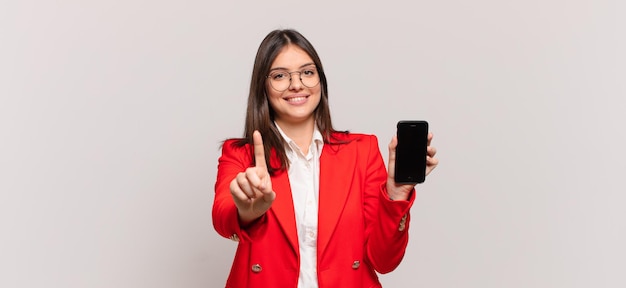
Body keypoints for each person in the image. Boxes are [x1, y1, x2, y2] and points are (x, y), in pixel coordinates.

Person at [212, 29, 438, 288]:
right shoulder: (240, 153)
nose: (296, 84)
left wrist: (397, 194)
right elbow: (221, 215)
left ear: (321, 80)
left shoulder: (361, 151)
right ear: (262, 85)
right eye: (280, 76)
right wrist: (246, 212)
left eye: (307, 72)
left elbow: (384, 260)